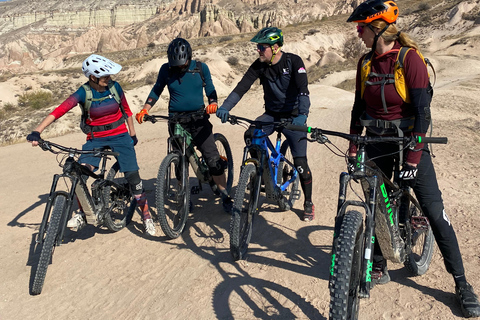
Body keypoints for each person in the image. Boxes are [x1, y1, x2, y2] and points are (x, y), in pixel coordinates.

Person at [346, 0, 480, 317]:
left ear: (377, 28)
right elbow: (357, 108)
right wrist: (353, 147)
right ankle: (378, 263)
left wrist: (413, 161)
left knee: (435, 213)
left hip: (408, 144)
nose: (358, 33)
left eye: (361, 28)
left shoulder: (410, 59)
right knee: (377, 204)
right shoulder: (365, 63)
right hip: (377, 143)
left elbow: (422, 114)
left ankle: (462, 285)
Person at [26, 54, 156, 236]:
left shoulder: (115, 87)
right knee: (80, 173)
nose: (109, 79)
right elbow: (60, 110)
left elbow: (126, 111)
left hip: (119, 135)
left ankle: (146, 215)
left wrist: (132, 134)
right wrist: (37, 131)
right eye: (105, 77)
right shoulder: (84, 92)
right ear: (93, 78)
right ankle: (81, 212)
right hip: (95, 138)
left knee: (133, 177)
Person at [215, 27, 315, 222]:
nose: (258, 50)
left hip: (294, 117)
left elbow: (303, 90)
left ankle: (308, 202)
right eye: (258, 47)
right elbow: (241, 87)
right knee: (250, 135)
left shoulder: (293, 61)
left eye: (262, 47)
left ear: (275, 47)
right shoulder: (259, 65)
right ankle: (260, 170)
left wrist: (302, 115)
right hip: (271, 115)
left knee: (300, 163)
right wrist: (226, 107)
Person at [135, 38, 233, 212]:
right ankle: (183, 197)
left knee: (212, 158)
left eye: (183, 64)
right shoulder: (166, 69)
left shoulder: (201, 68)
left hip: (199, 120)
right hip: (176, 121)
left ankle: (225, 196)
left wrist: (213, 102)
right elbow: (157, 90)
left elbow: (210, 89)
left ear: (189, 57)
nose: (180, 68)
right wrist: (145, 109)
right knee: (179, 161)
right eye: (176, 65)